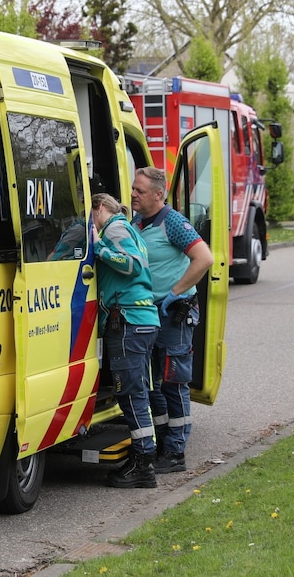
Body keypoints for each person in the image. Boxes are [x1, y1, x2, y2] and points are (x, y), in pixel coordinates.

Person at [130, 167, 214, 475]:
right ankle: (163, 441)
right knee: (152, 383)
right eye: (133, 189)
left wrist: (174, 292)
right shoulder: (136, 223)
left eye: (139, 190)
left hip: (172, 312)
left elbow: (204, 258)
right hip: (146, 313)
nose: (133, 194)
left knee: (174, 382)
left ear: (158, 194)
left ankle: (176, 452)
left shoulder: (173, 222)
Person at [90, 193, 161, 488]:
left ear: (100, 209)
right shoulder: (128, 227)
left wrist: (98, 249)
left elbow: (132, 265)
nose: (90, 222)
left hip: (129, 321)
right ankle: (143, 458)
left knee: (131, 395)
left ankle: (143, 466)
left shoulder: (115, 228)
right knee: (138, 394)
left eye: (91, 215)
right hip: (140, 321)